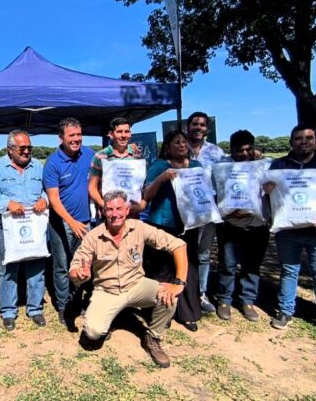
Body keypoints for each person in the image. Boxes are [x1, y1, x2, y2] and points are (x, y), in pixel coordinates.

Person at [69, 190, 188, 368]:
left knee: (169, 297)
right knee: (93, 333)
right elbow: (74, 269)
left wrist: (179, 283)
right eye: (109, 209)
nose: (114, 214)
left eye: (118, 208)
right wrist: (79, 274)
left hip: (136, 285)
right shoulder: (93, 236)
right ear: (103, 211)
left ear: (126, 210)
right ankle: (109, 318)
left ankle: (152, 337)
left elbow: (178, 245)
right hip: (107, 290)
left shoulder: (139, 228)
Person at [264, 124, 316, 343]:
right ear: (291, 142)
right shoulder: (279, 165)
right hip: (288, 230)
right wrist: (267, 191)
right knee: (289, 270)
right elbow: (268, 196)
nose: (304, 142)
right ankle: (285, 311)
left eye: (309, 138)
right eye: (299, 138)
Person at [0, 130, 48, 331]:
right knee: (8, 269)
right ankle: (8, 311)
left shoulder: (38, 166)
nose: (27, 151)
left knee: (36, 266)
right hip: (6, 227)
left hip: (34, 225)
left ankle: (35, 309)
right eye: (22, 148)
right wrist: (6, 203)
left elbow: (48, 190)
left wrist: (44, 200)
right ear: (9, 149)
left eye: (29, 148)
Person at [142, 130, 203, 331]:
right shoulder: (159, 166)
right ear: (168, 147)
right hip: (162, 224)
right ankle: (163, 313)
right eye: (176, 142)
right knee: (162, 271)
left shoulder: (196, 167)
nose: (181, 145)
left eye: (184, 141)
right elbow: (146, 194)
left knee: (189, 270)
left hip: (189, 225)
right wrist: (161, 179)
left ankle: (188, 313)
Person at [43, 118, 96, 326]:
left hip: (86, 221)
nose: (76, 139)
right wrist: (71, 222)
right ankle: (64, 306)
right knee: (62, 266)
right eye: (71, 135)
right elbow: (53, 199)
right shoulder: (52, 163)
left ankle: (79, 301)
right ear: (61, 138)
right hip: (61, 223)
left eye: (79, 135)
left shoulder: (90, 154)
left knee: (84, 263)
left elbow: (109, 160)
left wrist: (131, 151)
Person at [215, 130, 270, 321]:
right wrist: (229, 212)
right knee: (227, 265)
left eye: (249, 150)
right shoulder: (222, 168)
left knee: (252, 265)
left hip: (258, 225)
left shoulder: (264, 166)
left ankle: (247, 300)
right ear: (231, 151)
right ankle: (224, 300)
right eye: (239, 151)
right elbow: (216, 194)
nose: (244, 154)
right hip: (230, 225)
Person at [186, 111, 225, 314]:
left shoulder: (217, 153)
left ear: (207, 129)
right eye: (195, 125)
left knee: (203, 254)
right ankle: (183, 294)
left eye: (202, 125)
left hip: (208, 213)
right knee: (182, 252)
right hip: (183, 213)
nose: (198, 128)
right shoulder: (179, 147)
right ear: (188, 127)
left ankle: (200, 293)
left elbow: (228, 178)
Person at [88, 117, 141, 211]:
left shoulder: (136, 154)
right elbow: (92, 187)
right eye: (119, 131)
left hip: (132, 213)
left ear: (130, 133)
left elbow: (141, 183)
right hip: (107, 215)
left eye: (126, 131)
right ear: (111, 134)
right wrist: (104, 205)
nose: (123, 135)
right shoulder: (100, 156)